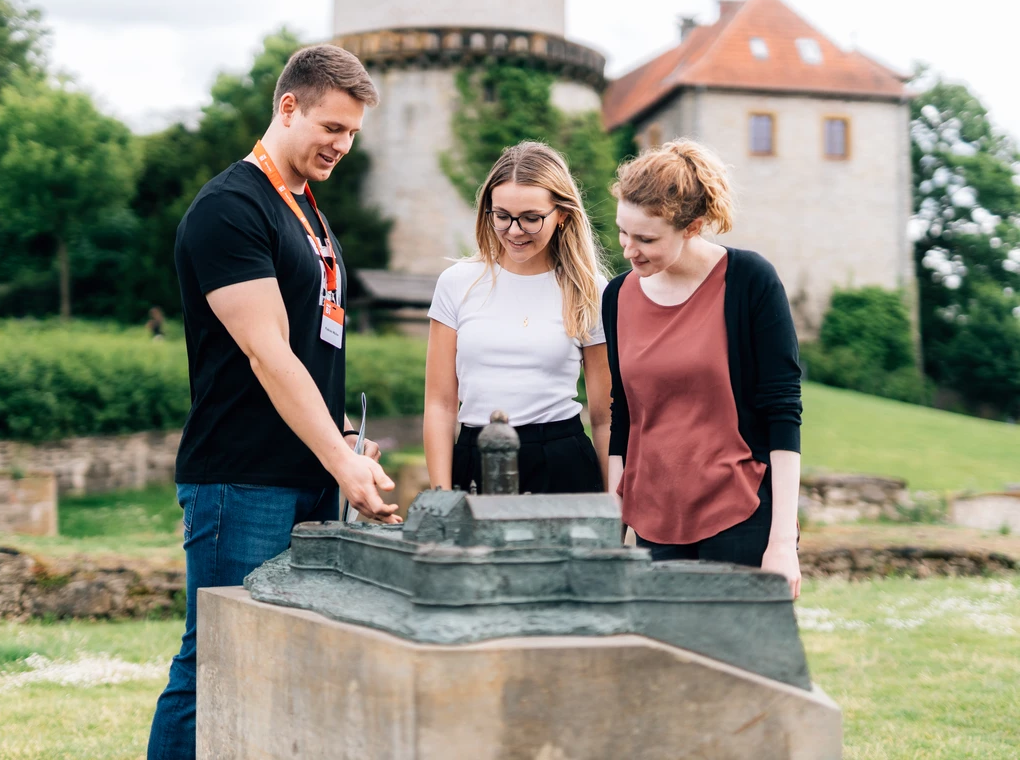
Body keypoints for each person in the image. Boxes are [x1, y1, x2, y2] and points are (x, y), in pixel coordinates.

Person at [148, 44, 401, 760]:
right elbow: (267, 352)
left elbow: (314, 353)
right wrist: (340, 462)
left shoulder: (310, 214)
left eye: (351, 133)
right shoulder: (231, 207)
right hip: (240, 478)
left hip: (307, 474)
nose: (341, 145)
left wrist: (343, 441)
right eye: (330, 127)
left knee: (287, 661)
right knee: (215, 662)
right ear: (287, 107)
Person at [603, 139, 802, 599]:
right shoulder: (616, 297)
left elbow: (783, 412)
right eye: (623, 232)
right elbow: (624, 415)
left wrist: (781, 543)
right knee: (665, 669)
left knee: (743, 667)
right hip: (653, 524)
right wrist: (613, 518)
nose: (629, 250)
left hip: (741, 516)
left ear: (691, 226)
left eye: (647, 239)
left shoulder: (750, 280)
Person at [424, 141, 612, 495]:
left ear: (562, 216)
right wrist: (441, 495)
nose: (513, 230)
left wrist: (614, 510)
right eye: (502, 216)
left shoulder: (588, 288)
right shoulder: (457, 283)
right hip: (473, 459)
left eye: (531, 218)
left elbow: (604, 417)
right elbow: (440, 404)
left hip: (561, 462)